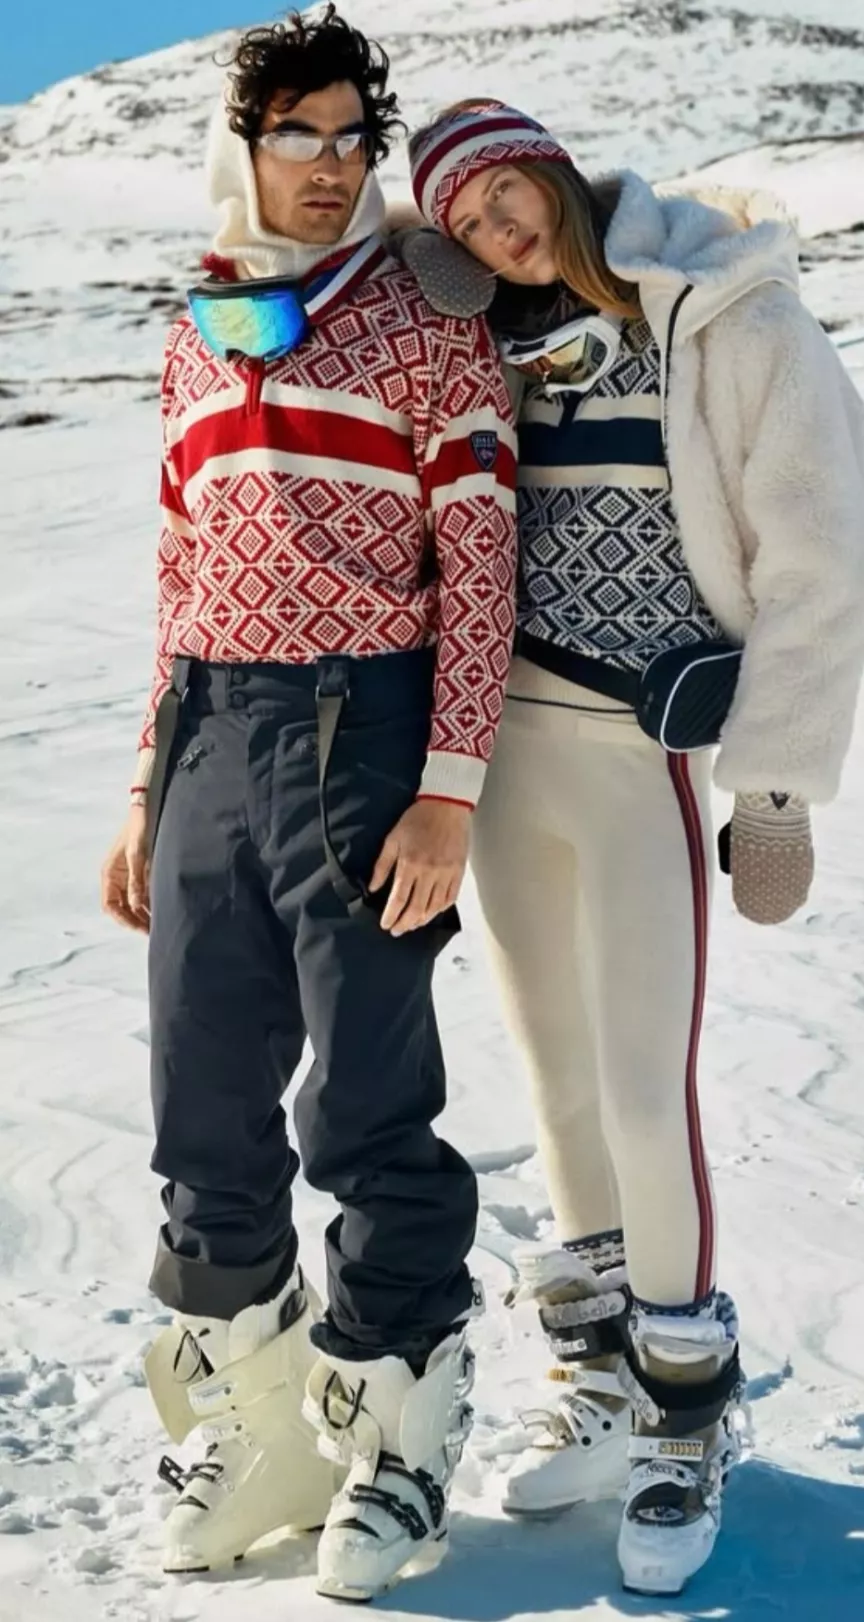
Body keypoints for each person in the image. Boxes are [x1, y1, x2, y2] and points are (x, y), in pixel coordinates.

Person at [406, 101, 864, 1595]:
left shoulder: (728, 313)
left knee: (638, 1079)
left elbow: (823, 557)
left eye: (503, 199)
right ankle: (600, 1380)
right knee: (553, 1084)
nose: (497, 233)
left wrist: (781, 787)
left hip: (639, 757)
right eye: (463, 226)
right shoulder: (493, 334)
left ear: (551, 169)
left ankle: (685, 1420)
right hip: (502, 757)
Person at [99, 17, 516, 1601]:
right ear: (245, 144)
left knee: (361, 1101)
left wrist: (450, 793)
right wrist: (150, 780)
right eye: (301, 137)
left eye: (355, 138)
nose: (333, 168)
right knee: (201, 1105)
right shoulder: (198, 322)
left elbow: (479, 562)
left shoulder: (427, 311)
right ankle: (264, 1422)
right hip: (211, 724)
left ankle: (401, 1417)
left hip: (365, 727)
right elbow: (175, 565)